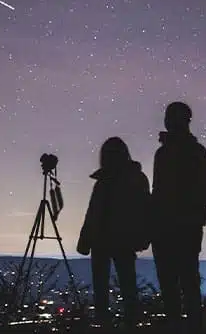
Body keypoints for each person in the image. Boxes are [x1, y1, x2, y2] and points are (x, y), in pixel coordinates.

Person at [76, 137, 152, 329]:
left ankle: (108, 322)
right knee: (126, 284)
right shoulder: (134, 179)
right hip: (119, 239)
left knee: (108, 285)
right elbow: (145, 209)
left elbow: (93, 212)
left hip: (107, 239)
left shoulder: (106, 181)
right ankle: (128, 322)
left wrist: (85, 240)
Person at [151, 101, 206, 333]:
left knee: (178, 281)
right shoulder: (178, 152)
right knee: (183, 281)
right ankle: (185, 325)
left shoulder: (175, 153)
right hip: (182, 226)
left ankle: (182, 325)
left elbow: (204, 193)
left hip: (178, 227)